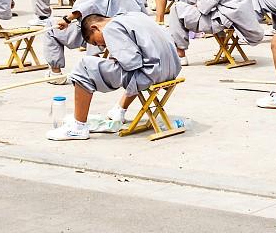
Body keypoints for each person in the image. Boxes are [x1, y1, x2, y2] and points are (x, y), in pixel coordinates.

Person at [46, 11, 182, 141]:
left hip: (150, 73)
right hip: (171, 70)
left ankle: (78, 127)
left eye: (95, 42)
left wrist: (113, 59)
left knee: (85, 67)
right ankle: (120, 109)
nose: (101, 46)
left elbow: (131, 63)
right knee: (122, 68)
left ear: (95, 28)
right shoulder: (135, 16)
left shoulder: (111, 28)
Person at [40, 0, 145, 80]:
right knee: (95, 23)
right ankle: (95, 58)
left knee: (51, 26)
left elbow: (86, 7)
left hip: (101, 34)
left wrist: (66, 19)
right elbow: (141, 8)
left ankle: (56, 73)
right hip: (127, 33)